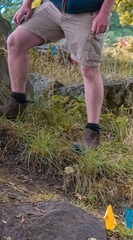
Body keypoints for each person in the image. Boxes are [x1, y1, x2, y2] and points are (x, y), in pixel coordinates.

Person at [1, 0, 115, 152]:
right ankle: (16, 105)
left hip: (86, 13)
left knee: (89, 69)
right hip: (53, 8)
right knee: (15, 41)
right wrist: (26, 4)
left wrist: (105, 12)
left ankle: (92, 133)